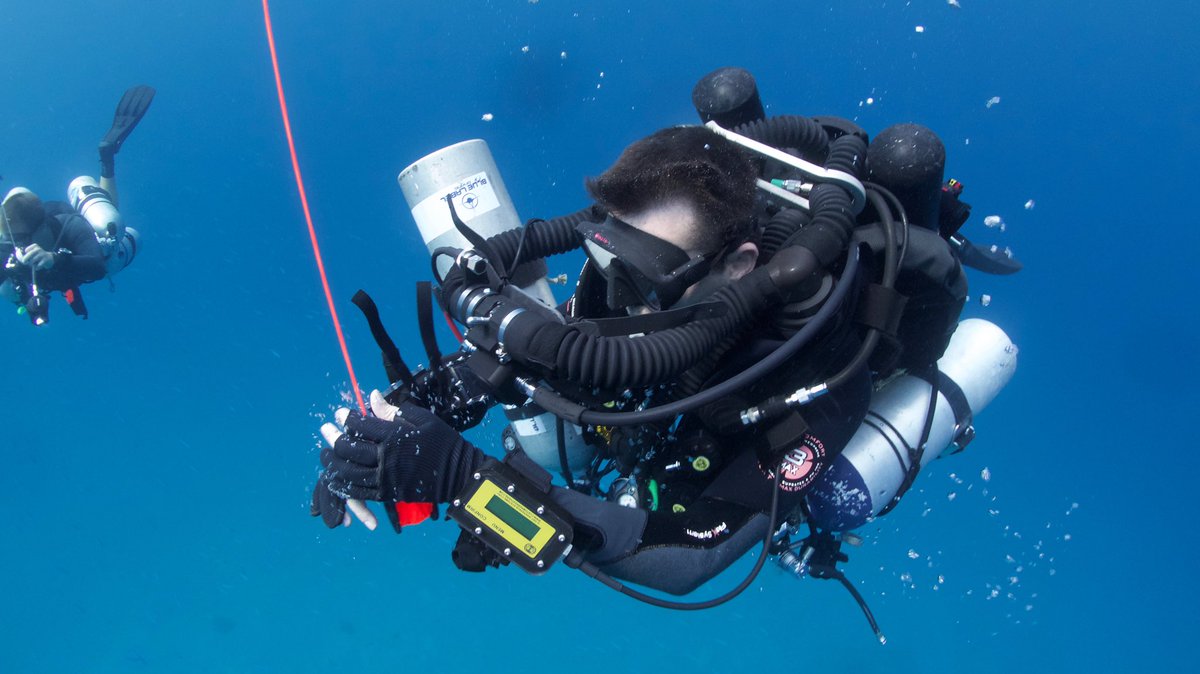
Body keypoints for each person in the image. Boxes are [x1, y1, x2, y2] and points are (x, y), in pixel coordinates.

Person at [312, 125, 880, 596]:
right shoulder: (612, 280)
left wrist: (472, 483)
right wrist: (403, 421)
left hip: (721, 473)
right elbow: (538, 354)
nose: (613, 296)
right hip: (647, 437)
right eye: (603, 255)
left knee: (829, 503)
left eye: (643, 274)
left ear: (737, 265)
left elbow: (691, 558)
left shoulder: (816, 368)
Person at [1, 85, 154, 325]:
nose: (21, 247)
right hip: (50, 266)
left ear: (39, 230)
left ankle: (107, 161)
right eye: (15, 240)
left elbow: (95, 268)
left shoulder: (70, 226)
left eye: (25, 240)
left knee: (110, 240)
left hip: (78, 245)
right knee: (6, 290)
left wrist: (55, 259)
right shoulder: (6, 241)